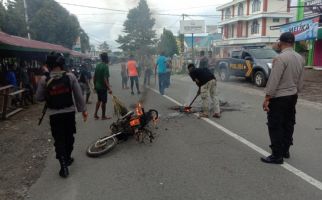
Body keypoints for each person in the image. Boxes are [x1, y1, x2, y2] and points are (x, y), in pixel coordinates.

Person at [36, 52, 88, 178]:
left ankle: (63, 166)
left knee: (59, 139)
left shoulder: (44, 79)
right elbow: (78, 96)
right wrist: (83, 110)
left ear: (49, 64)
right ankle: (68, 157)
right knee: (69, 137)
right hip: (69, 113)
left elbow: (39, 98)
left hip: (54, 115)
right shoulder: (70, 77)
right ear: (61, 63)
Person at [261, 32, 305, 164]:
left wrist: (267, 97)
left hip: (279, 97)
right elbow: (301, 80)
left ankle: (277, 155)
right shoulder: (300, 58)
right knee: (288, 123)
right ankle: (285, 150)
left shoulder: (280, 58)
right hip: (293, 96)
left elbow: (274, 80)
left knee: (275, 125)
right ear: (292, 43)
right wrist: (296, 92)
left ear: (281, 42)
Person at [94, 52, 113, 120]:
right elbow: (105, 78)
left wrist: (94, 86)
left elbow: (94, 76)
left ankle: (95, 114)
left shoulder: (98, 65)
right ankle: (103, 116)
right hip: (102, 87)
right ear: (106, 58)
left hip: (98, 86)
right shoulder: (105, 66)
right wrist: (109, 88)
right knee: (104, 102)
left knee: (99, 100)